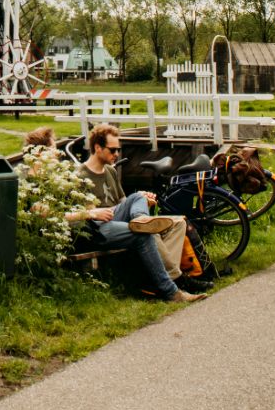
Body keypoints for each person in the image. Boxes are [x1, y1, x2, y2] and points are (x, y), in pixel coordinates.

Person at [68, 123, 206, 303]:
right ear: (97, 147)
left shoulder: (110, 170)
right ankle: (173, 290)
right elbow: (76, 213)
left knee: (168, 217)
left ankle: (142, 222)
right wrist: (94, 212)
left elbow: (122, 203)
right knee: (145, 235)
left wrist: (142, 201)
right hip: (96, 227)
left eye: (118, 149)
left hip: (116, 218)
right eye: (112, 150)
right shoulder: (80, 175)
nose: (116, 154)